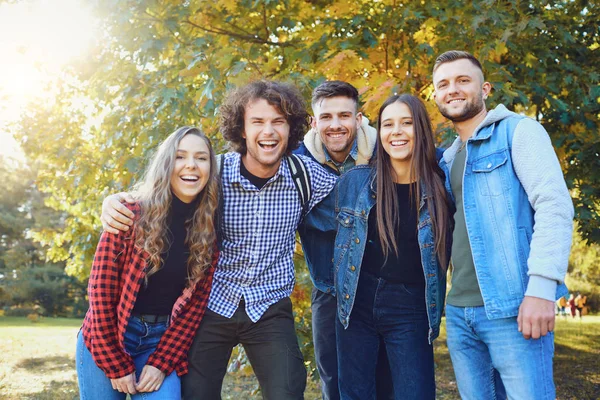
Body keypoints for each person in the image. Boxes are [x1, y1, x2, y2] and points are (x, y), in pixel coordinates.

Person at [100, 81, 337, 399]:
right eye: (257, 122)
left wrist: (368, 148)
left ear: (291, 128)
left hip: (269, 307)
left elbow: (360, 192)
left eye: (278, 121)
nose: (268, 131)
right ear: (241, 128)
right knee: (195, 393)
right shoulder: (212, 173)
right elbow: (159, 197)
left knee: (287, 390)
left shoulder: (304, 176)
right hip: (210, 304)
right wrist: (113, 201)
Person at [433, 50, 574, 399]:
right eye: (443, 84)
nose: (453, 89)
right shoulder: (448, 157)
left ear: (485, 88)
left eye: (463, 80)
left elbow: (554, 206)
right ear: (435, 95)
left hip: (513, 307)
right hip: (460, 311)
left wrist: (541, 289)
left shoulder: (519, 131)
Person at [312, 94, 452, 400]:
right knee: (355, 394)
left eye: (406, 123)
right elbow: (306, 217)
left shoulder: (442, 184)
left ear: (421, 130)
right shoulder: (356, 182)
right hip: (356, 303)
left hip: (411, 306)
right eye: (388, 124)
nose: (396, 131)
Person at [76, 126, 219, 399]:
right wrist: (115, 364)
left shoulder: (209, 230)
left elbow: (194, 309)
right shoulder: (129, 214)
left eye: (201, 158)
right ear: (166, 163)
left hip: (160, 341)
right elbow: (101, 294)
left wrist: (162, 362)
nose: (191, 165)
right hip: (108, 335)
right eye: (180, 156)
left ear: (210, 168)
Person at [295, 80, 393, 400]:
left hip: (379, 284)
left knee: (383, 379)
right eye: (326, 117)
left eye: (344, 116)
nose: (335, 125)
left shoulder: (386, 152)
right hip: (329, 286)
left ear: (359, 118)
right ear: (314, 122)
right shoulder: (297, 164)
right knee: (333, 379)